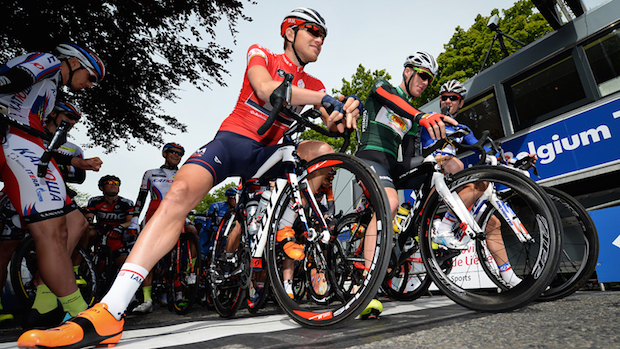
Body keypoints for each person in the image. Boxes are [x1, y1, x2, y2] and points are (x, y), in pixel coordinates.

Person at [17, 8, 363, 348]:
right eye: (313, 32)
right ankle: (111, 309)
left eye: (324, 36)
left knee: (320, 151)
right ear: (290, 32)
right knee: (178, 195)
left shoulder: (315, 83)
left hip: (269, 153)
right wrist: (322, 99)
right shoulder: (263, 54)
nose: (320, 39)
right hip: (233, 142)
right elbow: (264, 88)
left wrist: (345, 112)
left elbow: (331, 122)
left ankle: (287, 224)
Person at [0, 43, 105, 330]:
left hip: (32, 145)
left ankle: (46, 300)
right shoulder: (46, 61)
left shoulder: (51, 85)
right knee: (49, 232)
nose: (89, 85)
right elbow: (12, 79)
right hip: (18, 144)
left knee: (75, 223)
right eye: (91, 76)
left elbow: (34, 128)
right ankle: (79, 314)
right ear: (73, 62)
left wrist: (75, 163)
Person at [355, 51, 457, 318]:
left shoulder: (412, 119)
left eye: (430, 80)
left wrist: (442, 146)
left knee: (441, 164)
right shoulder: (384, 87)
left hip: (391, 164)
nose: (425, 83)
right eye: (422, 75)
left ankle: (428, 227)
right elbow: (390, 100)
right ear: (407, 70)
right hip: (368, 156)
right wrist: (421, 116)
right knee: (390, 202)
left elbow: (411, 157)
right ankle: (365, 290)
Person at [421, 79, 521, 286]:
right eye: (444, 97)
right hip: (432, 170)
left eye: (453, 98)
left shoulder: (463, 128)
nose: (447, 101)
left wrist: (509, 160)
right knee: (461, 167)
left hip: (452, 178)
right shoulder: (431, 119)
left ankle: (509, 278)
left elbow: (481, 149)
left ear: (461, 103)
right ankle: (445, 227)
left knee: (493, 223)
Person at [128, 142, 197, 313]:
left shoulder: (184, 173)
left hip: (177, 213)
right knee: (148, 256)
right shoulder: (150, 174)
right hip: (155, 213)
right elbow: (141, 197)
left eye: (180, 153)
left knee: (192, 232)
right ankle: (147, 299)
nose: (176, 155)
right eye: (173, 152)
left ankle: (190, 271)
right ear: (165, 154)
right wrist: (135, 218)